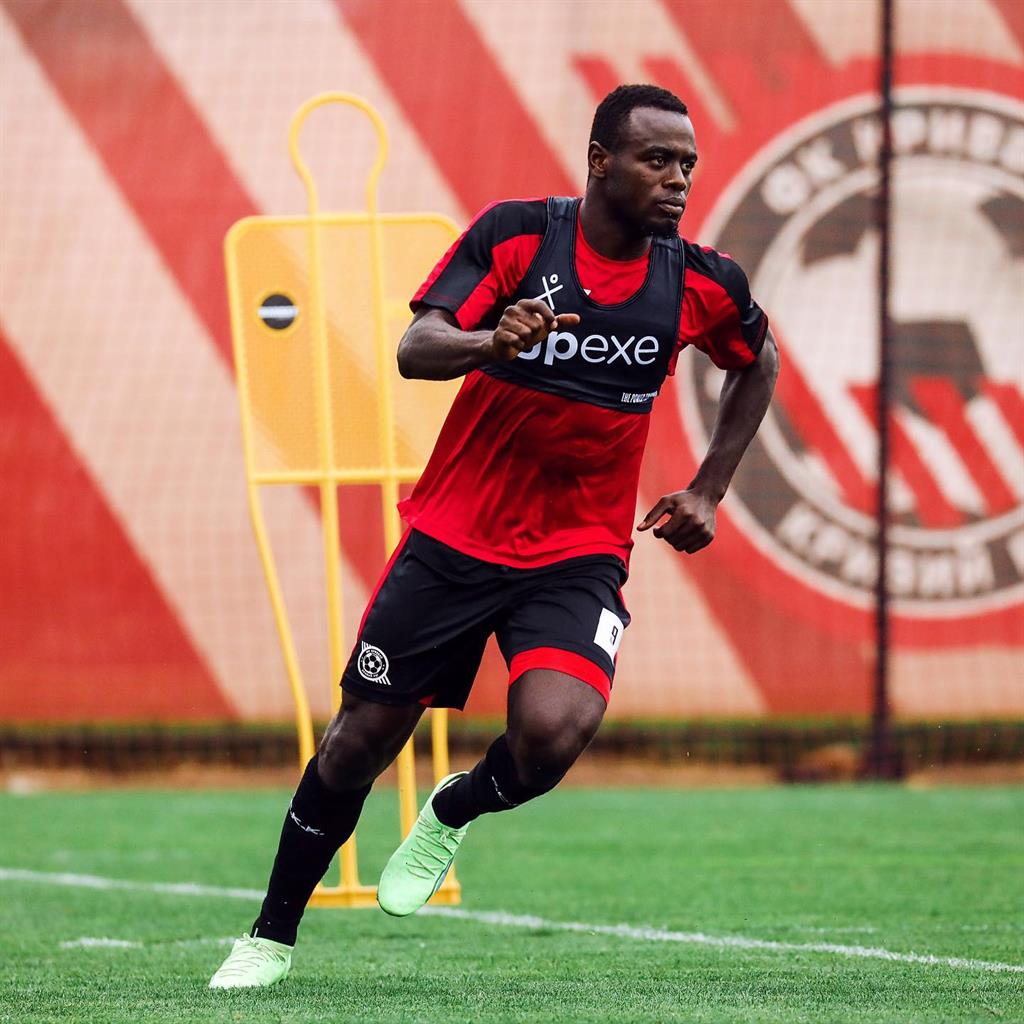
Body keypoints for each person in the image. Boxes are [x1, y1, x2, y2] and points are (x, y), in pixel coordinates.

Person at [210, 83, 778, 989]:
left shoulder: (701, 281)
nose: (677, 179)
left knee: (553, 734)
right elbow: (417, 347)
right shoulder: (519, 236)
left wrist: (710, 488)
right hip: (454, 539)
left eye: (687, 164)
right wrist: (489, 343)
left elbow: (759, 360)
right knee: (359, 743)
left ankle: (453, 808)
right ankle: (269, 937)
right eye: (657, 160)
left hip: (577, 552)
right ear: (601, 161)